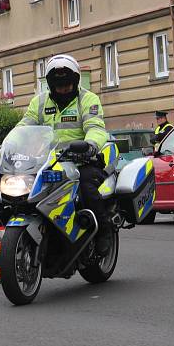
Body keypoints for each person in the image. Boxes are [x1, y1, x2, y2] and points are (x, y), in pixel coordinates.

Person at [17, 54, 113, 255]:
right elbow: (24, 127)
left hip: (82, 160)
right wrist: (6, 148)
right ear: (51, 85)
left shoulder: (88, 99)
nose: (63, 89)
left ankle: (104, 230)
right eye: (59, 85)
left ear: (75, 81)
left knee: (87, 186)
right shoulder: (40, 102)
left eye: (67, 85)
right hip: (48, 161)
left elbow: (96, 127)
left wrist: (90, 145)